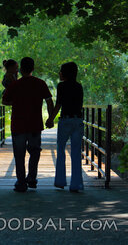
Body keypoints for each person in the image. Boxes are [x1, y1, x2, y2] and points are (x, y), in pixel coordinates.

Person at [2, 57, 54, 192]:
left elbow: (5, 101)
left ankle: (21, 182)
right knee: (35, 151)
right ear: (33, 68)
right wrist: (50, 118)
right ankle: (31, 178)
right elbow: (49, 101)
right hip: (35, 124)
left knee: (19, 154)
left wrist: (17, 102)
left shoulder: (15, 85)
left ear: (20, 69)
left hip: (18, 125)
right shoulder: (40, 83)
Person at [46, 62, 84, 192]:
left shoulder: (61, 86)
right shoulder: (79, 86)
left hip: (65, 121)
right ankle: (76, 184)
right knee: (76, 152)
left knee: (61, 150)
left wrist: (50, 119)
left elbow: (58, 104)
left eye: (61, 71)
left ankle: (60, 181)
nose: (59, 73)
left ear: (65, 73)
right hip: (78, 120)